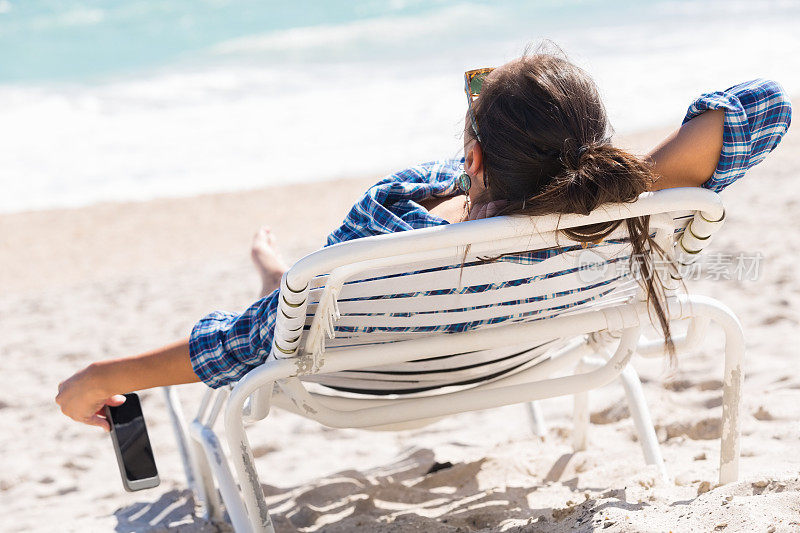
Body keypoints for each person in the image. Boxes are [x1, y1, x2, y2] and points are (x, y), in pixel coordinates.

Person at [56, 52, 792, 430]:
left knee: (287, 298)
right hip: (529, 342)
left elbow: (245, 345)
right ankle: (276, 277)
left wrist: (95, 374)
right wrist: (630, 179)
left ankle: (273, 273)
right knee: (291, 295)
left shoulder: (385, 229)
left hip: (360, 365)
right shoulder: (613, 226)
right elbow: (768, 103)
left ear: (471, 161)